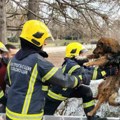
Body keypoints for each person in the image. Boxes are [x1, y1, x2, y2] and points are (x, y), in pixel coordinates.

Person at [5, 20, 91, 120]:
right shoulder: (39, 62)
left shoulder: (13, 60)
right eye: (44, 39)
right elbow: (64, 80)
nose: (45, 43)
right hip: (29, 116)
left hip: (10, 113)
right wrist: (81, 79)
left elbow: (9, 81)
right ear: (35, 40)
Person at [44, 42, 117, 120]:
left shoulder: (74, 63)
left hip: (68, 90)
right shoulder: (73, 66)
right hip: (56, 95)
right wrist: (107, 72)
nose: (84, 56)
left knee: (86, 92)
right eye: (81, 53)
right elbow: (89, 74)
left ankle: (91, 116)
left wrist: (104, 69)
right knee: (45, 115)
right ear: (74, 54)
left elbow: (90, 69)